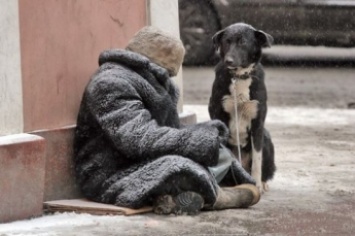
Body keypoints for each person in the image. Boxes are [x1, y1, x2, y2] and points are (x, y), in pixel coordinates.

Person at [73, 26, 260, 215]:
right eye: (168, 73)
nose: (169, 79)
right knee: (178, 167)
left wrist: (202, 134)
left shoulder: (152, 83)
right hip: (109, 174)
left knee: (216, 148)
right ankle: (215, 197)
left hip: (143, 159)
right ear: (153, 66)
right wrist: (192, 140)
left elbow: (167, 130)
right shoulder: (110, 83)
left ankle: (181, 196)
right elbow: (138, 137)